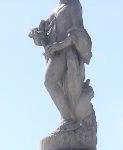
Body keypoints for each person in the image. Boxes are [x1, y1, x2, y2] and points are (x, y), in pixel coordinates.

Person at [30, 0, 95, 133]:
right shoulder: (58, 8)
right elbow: (47, 31)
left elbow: (78, 32)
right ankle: (67, 119)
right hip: (55, 54)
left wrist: (59, 45)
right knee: (57, 86)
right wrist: (38, 32)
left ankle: (69, 120)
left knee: (49, 82)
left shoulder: (74, 5)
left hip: (65, 53)